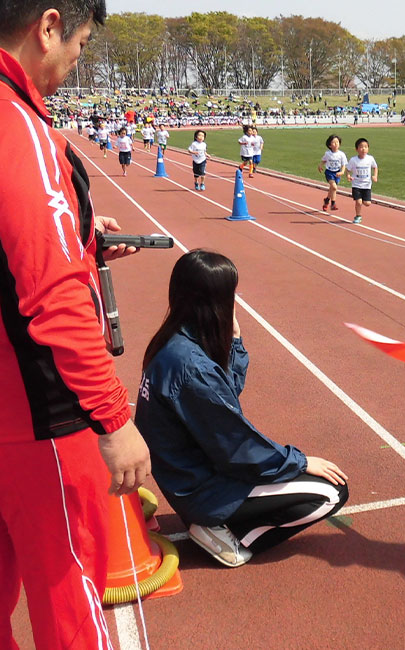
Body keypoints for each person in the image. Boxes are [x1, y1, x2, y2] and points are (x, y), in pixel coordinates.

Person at [0, 2, 151, 647]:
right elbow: (53, 295)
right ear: (50, 25)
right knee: (72, 604)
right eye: (82, 44)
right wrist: (114, 420)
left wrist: (77, 236)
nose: (77, 61)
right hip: (39, 418)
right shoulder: (18, 125)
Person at [135, 250, 349, 567]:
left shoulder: (174, 343)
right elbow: (237, 448)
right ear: (216, 301)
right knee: (332, 492)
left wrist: (234, 341)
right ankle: (226, 535)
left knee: (292, 475)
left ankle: (216, 522)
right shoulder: (191, 366)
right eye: (231, 293)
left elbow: (225, 400)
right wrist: (300, 462)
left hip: (186, 478)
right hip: (201, 489)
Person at [346, 137, 378, 224]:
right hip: (356, 184)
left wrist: (375, 176)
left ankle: (363, 201)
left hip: (367, 185)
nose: (363, 149)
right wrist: (348, 176)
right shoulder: (353, 160)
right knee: (358, 202)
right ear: (356, 149)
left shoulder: (370, 158)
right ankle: (358, 216)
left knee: (367, 203)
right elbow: (348, 170)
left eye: (365, 147)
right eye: (361, 147)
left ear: (368, 148)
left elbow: (375, 167)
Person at [318, 133, 348, 212]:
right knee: (334, 187)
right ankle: (333, 204)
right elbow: (324, 160)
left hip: (337, 173)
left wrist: (342, 171)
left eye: (337, 142)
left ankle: (327, 200)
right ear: (330, 145)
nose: (336, 144)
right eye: (334, 142)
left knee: (332, 189)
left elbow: (343, 164)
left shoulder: (341, 154)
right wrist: (320, 165)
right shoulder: (328, 153)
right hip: (329, 172)